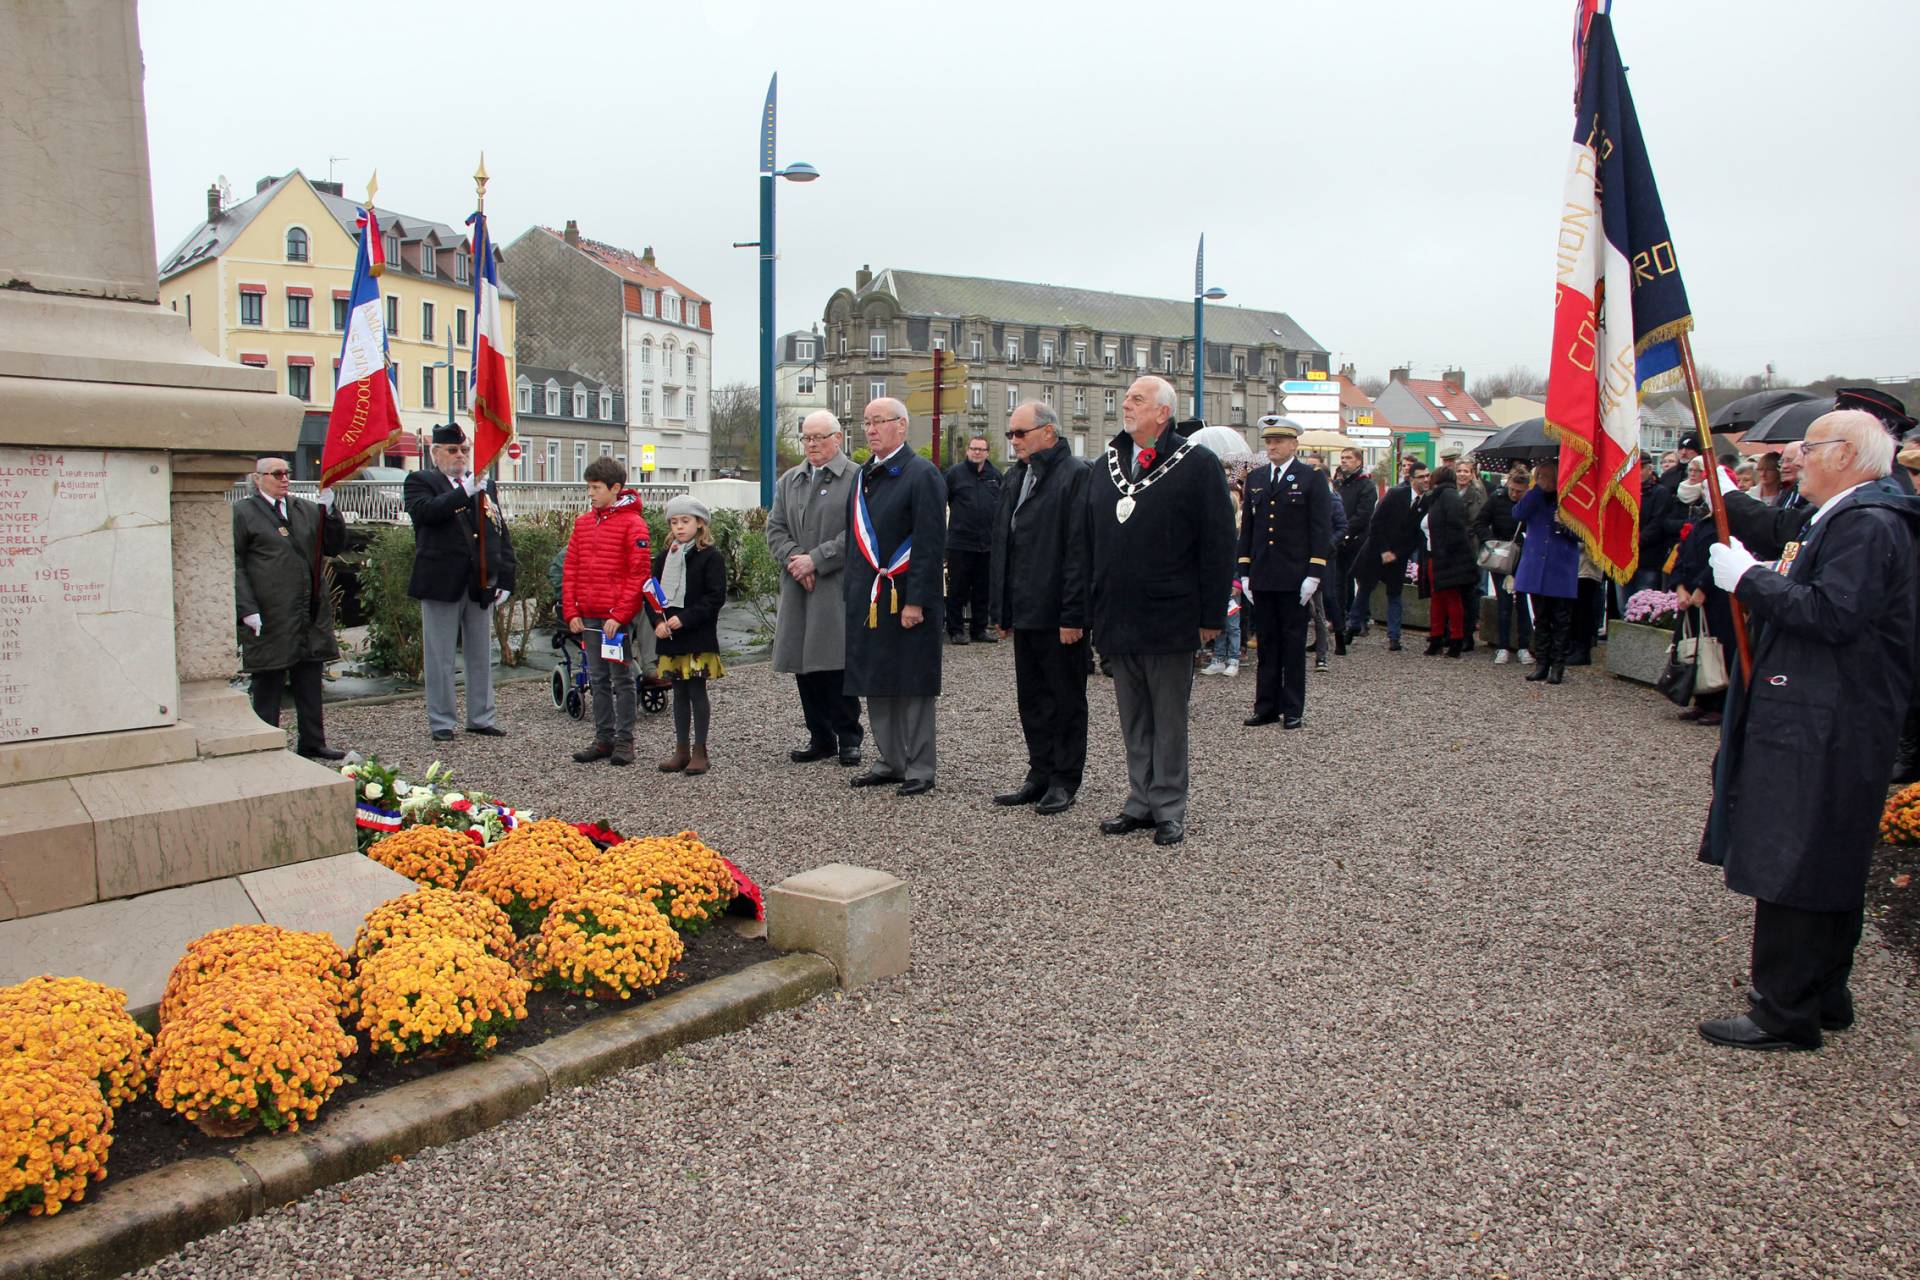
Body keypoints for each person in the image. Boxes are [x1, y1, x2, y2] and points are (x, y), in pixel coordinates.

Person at [1697, 410, 1920, 1051]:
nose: (1798, 457)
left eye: (1811, 447)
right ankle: (1822, 991)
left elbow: (1832, 613)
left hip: (1823, 717)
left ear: (1847, 454)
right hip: (1836, 712)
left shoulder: (1866, 523)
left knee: (1793, 852)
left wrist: (1750, 580)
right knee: (1828, 851)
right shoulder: (1865, 516)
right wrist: (1763, 570)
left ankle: (1784, 1007)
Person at [1088, 375, 1233, 846]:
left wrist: (1212, 614)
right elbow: (1091, 541)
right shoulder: (1106, 463)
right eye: (1126, 398)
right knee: (1133, 717)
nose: (1125, 405)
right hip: (1119, 613)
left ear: (1163, 412)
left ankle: (1169, 805)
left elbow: (1218, 542)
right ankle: (1140, 801)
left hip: (1171, 614)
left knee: (1168, 716)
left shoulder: (1197, 464)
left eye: (1136, 399)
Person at [987, 401, 1091, 815]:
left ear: (1048, 432)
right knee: (1031, 697)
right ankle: (1039, 772)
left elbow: (1078, 552)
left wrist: (1073, 615)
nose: (1014, 441)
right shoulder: (1016, 476)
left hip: (1057, 612)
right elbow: (1004, 545)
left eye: (1020, 433)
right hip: (1026, 609)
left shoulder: (1075, 475)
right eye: (1010, 434)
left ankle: (1065, 778)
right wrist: (1002, 610)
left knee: (1065, 698)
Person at [844, 398, 946, 797]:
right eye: (866, 423)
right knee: (876, 679)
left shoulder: (922, 474)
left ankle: (920, 766)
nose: (870, 430)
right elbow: (855, 538)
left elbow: (929, 542)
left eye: (878, 422)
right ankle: (889, 760)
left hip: (905, 596)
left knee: (913, 684)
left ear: (901, 426)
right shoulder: (864, 475)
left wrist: (917, 600)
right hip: (869, 597)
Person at [404, 423, 516, 743]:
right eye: (452, 450)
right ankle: (441, 721)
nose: (460, 456)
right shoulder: (421, 481)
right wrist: (463, 493)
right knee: (440, 657)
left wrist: (505, 576)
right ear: (435, 453)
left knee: (480, 654)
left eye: (464, 450)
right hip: (441, 580)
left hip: (478, 579)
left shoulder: (484, 484)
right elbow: (426, 513)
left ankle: (481, 717)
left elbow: (498, 530)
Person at [233, 457, 347, 760]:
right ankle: (265, 740)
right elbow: (234, 563)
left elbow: (333, 545)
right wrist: (246, 607)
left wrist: (330, 511)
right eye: (277, 474)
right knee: (268, 678)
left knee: (309, 675)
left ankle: (312, 740)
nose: (285, 479)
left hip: (307, 607)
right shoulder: (243, 513)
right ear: (258, 479)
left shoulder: (304, 509)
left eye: (288, 473)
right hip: (270, 609)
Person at [767, 410, 863, 766]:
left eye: (819, 437)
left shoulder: (855, 478)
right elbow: (775, 528)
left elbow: (858, 533)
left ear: (837, 438)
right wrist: (795, 559)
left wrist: (817, 559)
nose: (812, 444)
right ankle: (820, 735)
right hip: (798, 585)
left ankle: (848, 735)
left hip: (834, 586)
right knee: (804, 665)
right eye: (806, 438)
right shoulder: (790, 480)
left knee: (835, 662)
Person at [1238, 416, 1332, 728]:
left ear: (1294, 444)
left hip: (1295, 575)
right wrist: (1245, 571)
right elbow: (1249, 529)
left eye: (1278, 441)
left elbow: (1320, 529)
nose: (1272, 446)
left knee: (1292, 644)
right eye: (1268, 441)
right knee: (1267, 644)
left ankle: (1292, 709)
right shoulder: (1258, 478)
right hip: (1263, 574)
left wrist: (1314, 572)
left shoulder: (1310, 478)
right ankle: (1266, 706)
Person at [561, 457, 652, 767]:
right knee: (597, 678)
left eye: (596, 488)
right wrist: (571, 609)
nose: (591, 494)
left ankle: (625, 741)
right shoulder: (583, 523)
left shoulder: (633, 524)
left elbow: (638, 573)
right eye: (589, 487)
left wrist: (620, 614)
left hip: (614, 619)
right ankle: (603, 738)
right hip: (589, 615)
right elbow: (571, 566)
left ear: (615, 489)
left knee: (621, 678)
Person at [645, 496, 728, 776]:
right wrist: (657, 620)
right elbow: (652, 593)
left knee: (696, 690)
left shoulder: (710, 557)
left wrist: (686, 618)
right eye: (674, 522)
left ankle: (700, 750)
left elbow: (715, 596)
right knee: (678, 692)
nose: (679, 527)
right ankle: (680, 749)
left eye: (685, 521)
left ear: (699, 523)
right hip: (670, 636)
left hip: (697, 635)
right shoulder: (664, 557)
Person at [1511, 460, 1581, 684]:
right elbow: (1517, 513)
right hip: (1535, 567)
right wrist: (1536, 490)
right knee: (1540, 618)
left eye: (1549, 477)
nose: (1545, 480)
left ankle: (1558, 665)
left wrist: (1565, 525)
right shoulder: (1535, 497)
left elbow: (1583, 534)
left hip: (1560, 567)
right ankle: (1542, 662)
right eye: (1541, 476)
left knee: (1561, 619)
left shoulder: (1570, 498)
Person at [1349, 459, 1427, 650]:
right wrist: (1384, 550)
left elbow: (1417, 534)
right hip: (1376, 549)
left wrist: (1398, 554)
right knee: (1366, 589)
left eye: (1428, 476)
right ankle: (1352, 627)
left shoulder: (1426, 500)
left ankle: (1394, 637)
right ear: (1411, 479)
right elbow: (1376, 523)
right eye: (1421, 477)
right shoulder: (1396, 494)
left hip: (1398, 555)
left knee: (1395, 594)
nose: (1426, 480)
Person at [943, 432, 1001, 645]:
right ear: (967, 451)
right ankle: (956, 630)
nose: (977, 452)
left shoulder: (995, 475)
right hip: (960, 543)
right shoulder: (954, 474)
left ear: (987, 452)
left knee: (982, 590)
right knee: (958, 589)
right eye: (973, 448)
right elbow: (941, 503)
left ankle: (979, 629)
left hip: (987, 544)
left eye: (981, 449)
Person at [1417, 464, 1476, 658]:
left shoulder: (1447, 497)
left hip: (1447, 557)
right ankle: (1438, 638)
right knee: (1438, 599)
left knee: (1450, 599)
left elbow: (1456, 527)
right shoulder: (1440, 497)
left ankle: (1454, 640)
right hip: (1436, 555)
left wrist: (1445, 551)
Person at [1478, 466, 1534, 663]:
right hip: (1502, 555)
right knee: (1504, 601)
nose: (1514, 494)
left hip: (1524, 555)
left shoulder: (1531, 503)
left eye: (1519, 491)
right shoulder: (1497, 498)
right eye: (1512, 489)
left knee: (1523, 601)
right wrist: (1491, 542)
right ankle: (1503, 646)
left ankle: (1524, 645)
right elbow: (1480, 522)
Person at [1202, 461, 1244, 676]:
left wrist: (1237, 582)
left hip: (1232, 583)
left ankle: (1234, 658)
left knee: (1233, 625)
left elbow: (1237, 559)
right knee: (1216, 622)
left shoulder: (1236, 533)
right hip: (1216, 584)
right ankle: (1218, 657)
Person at [1332, 446, 1376, 633]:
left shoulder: (1366, 484)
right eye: (1342, 457)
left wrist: (1345, 530)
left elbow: (1363, 514)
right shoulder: (1340, 483)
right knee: (1339, 581)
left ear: (1358, 461)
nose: (1344, 461)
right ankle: (1339, 619)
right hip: (1340, 540)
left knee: (1359, 579)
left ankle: (1361, 619)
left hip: (1358, 539)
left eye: (1348, 458)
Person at [1454, 458, 1489, 652]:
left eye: (1466, 471)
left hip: (1469, 546)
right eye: (1459, 471)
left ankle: (1467, 634)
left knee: (1470, 593)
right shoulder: (1452, 491)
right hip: (1455, 547)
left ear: (1472, 473)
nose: (1462, 474)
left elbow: (1475, 520)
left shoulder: (1475, 493)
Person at [1772, 441, 1806, 510]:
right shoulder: (1784, 492)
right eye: (1781, 461)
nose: (1784, 466)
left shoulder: (1810, 494)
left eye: (1790, 460)